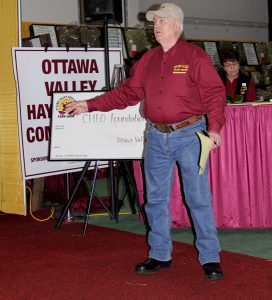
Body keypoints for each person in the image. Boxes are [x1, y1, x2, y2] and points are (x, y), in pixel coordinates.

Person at [64, 3, 226, 280]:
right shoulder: (148, 60)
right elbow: (125, 94)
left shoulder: (195, 56)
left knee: (198, 198)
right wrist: (89, 105)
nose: (156, 25)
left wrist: (214, 129)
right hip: (156, 137)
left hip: (191, 136)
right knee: (154, 200)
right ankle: (160, 254)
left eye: (162, 20)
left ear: (177, 25)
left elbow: (214, 93)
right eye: (155, 21)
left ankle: (210, 257)